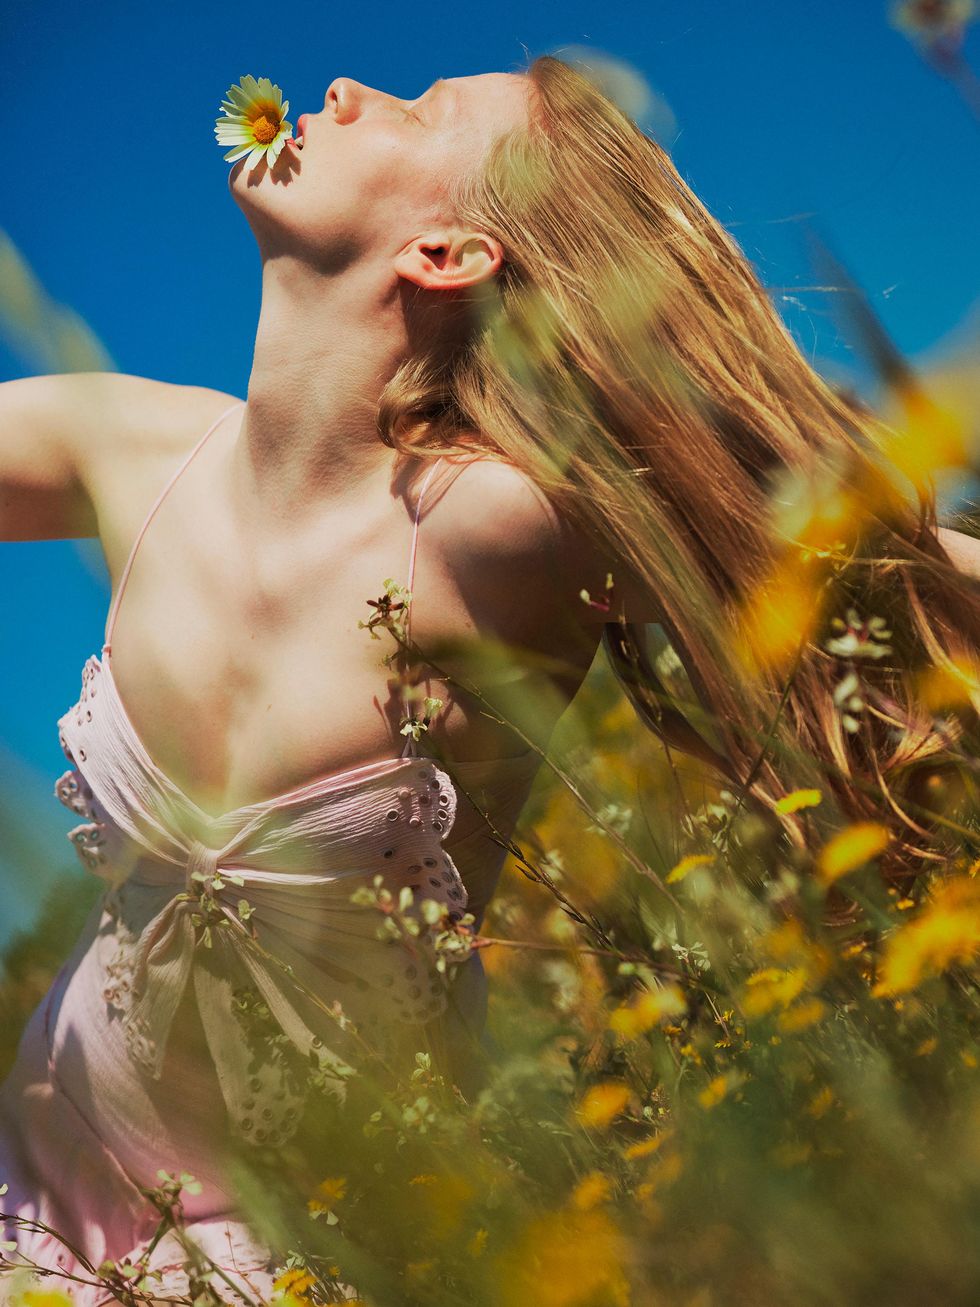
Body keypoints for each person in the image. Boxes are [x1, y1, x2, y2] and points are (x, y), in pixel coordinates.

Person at [2, 53, 979, 1304]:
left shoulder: (494, 528)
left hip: (319, 1254)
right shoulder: (120, 447)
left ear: (449, 253)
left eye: (418, 111)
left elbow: (861, 561)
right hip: (31, 1195)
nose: (341, 87)